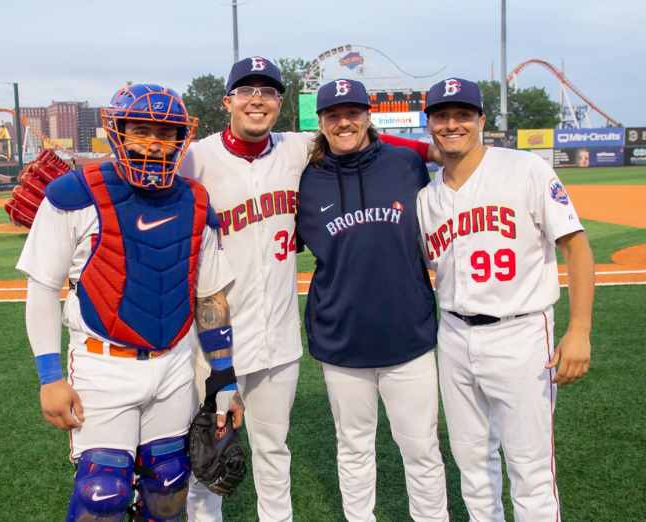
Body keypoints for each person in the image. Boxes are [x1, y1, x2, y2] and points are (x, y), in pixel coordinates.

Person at [181, 58, 437, 521]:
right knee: (208, 456)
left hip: (278, 339)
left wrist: (434, 151)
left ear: (281, 103)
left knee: (274, 451)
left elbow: (368, 141)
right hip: (213, 341)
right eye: (245, 90)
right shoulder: (197, 158)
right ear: (228, 101)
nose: (256, 99)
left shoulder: (297, 149)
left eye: (268, 91)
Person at [16, 83, 243, 522]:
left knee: (170, 481)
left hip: (174, 363)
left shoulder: (196, 201)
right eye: (141, 129)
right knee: (103, 492)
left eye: (167, 132)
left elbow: (210, 296)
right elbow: (43, 287)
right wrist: (48, 376)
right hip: (103, 363)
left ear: (182, 139)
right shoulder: (75, 194)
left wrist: (223, 378)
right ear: (117, 131)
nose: (155, 142)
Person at [416, 77, 594, 521]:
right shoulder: (427, 197)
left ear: (480, 120)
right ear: (430, 123)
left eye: (462, 115)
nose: (452, 124)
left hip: (521, 331)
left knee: (530, 467)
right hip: (454, 334)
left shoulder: (525, 169)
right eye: (442, 116)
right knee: (472, 465)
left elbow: (576, 246)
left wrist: (580, 331)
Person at [296, 79, 449, 522]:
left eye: (353, 112)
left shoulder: (406, 163)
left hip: (410, 335)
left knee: (421, 447)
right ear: (321, 122)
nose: (344, 121)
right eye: (333, 115)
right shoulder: (305, 180)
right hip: (341, 339)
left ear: (368, 115)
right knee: (354, 447)